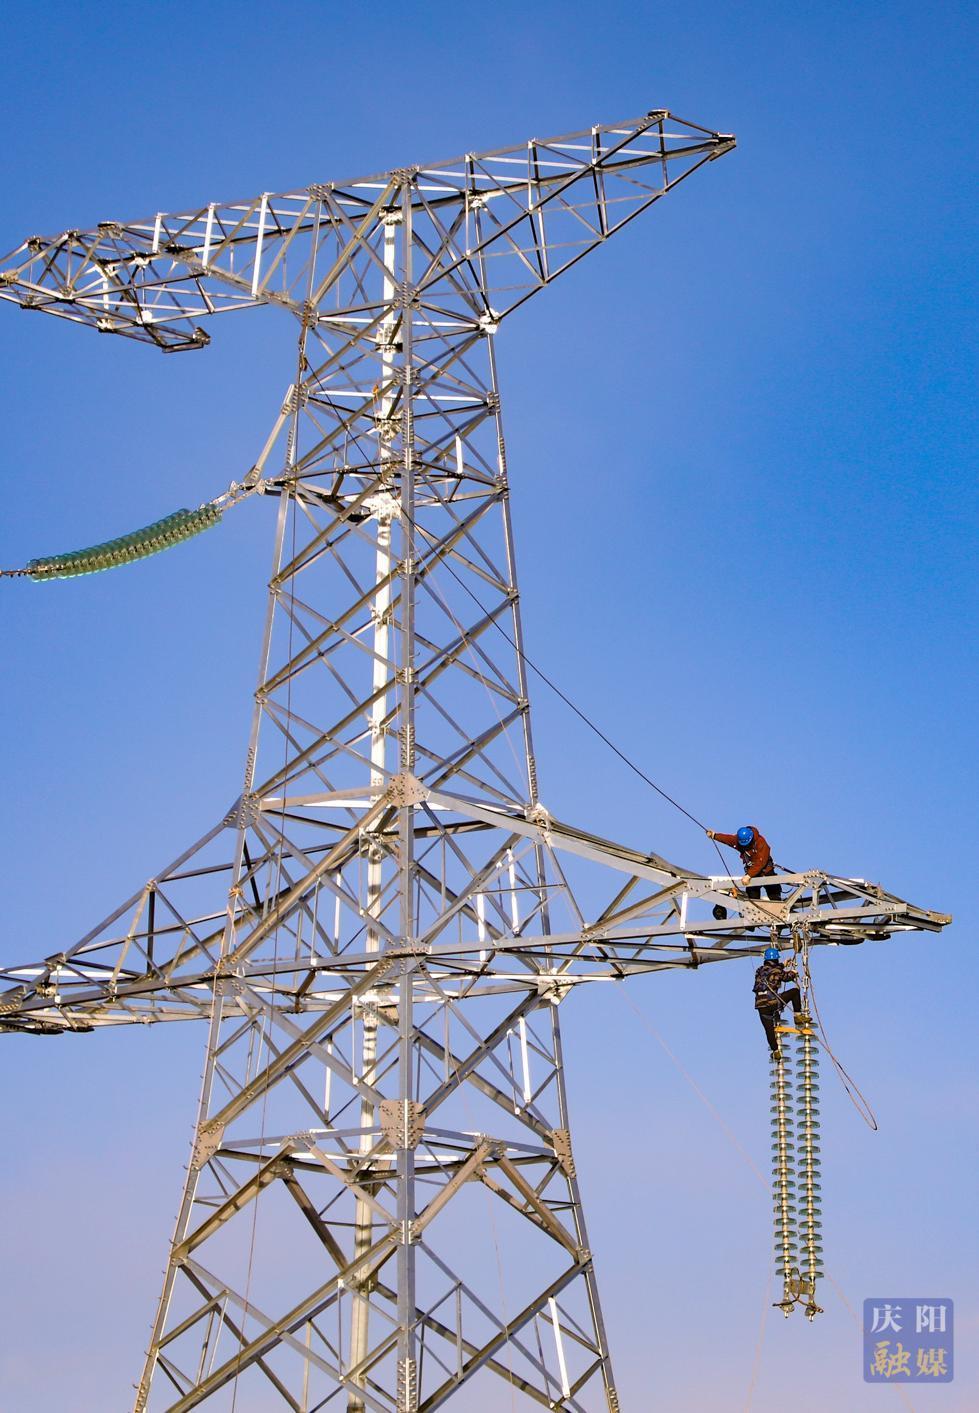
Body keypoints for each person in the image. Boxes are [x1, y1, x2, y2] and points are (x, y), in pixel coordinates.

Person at [707, 824, 781, 902]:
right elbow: (728, 839)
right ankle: (754, 905)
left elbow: (760, 862)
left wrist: (749, 875)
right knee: (752, 893)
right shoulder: (739, 840)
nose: (746, 846)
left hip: (766, 870)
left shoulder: (760, 842)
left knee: (773, 888)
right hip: (752, 873)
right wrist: (714, 835)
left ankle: (777, 902)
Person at [753, 946, 804, 1055]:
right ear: (776, 959)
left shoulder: (759, 970)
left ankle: (775, 1051)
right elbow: (786, 977)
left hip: (761, 1006)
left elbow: (771, 971)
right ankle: (798, 1017)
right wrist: (793, 973)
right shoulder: (777, 971)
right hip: (772, 1002)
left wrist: (783, 965)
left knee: (769, 1030)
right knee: (795, 992)